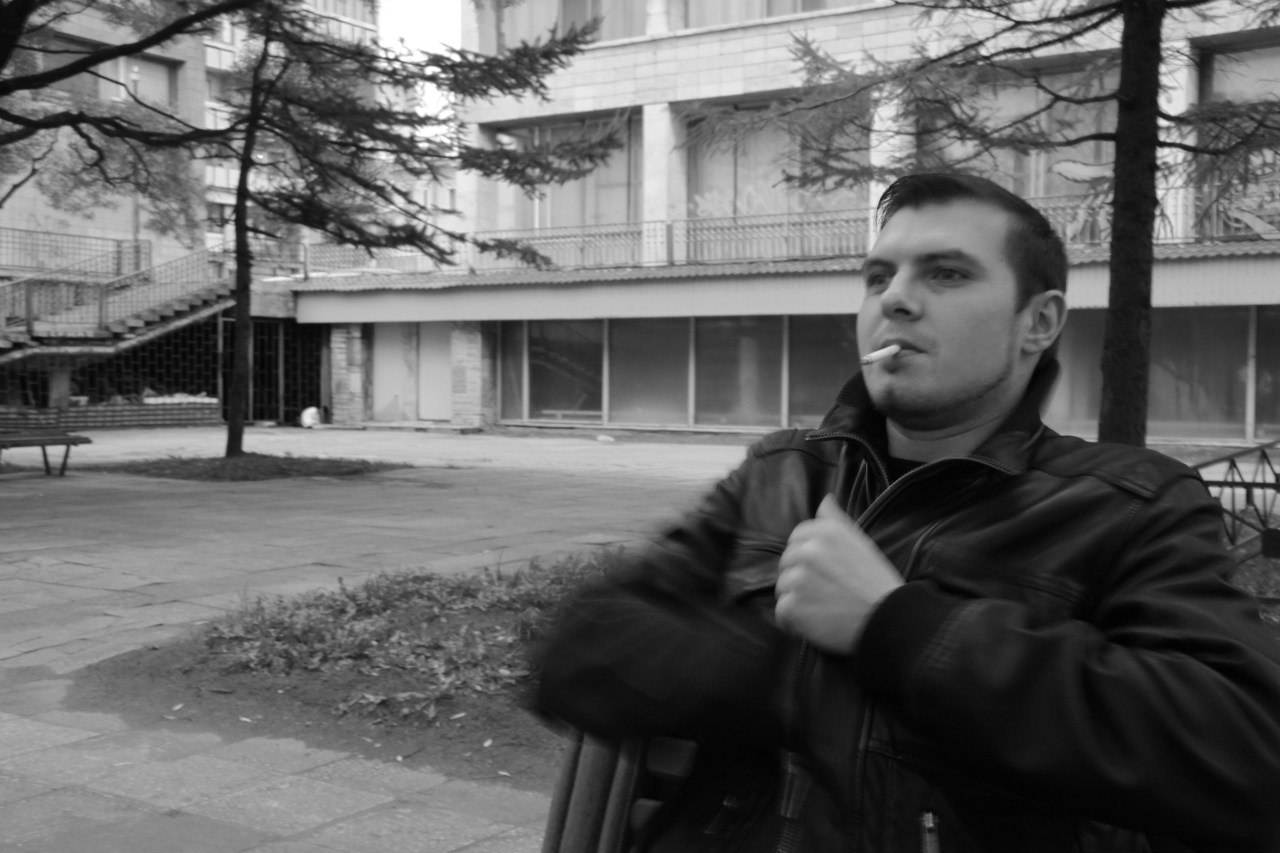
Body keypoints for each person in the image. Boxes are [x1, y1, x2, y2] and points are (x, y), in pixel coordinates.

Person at [532, 173, 1280, 853]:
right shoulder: (784, 472)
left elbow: (1248, 753)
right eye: (878, 277)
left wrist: (898, 627)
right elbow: (583, 651)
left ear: (1039, 322)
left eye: (946, 273)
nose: (894, 298)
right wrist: (800, 672)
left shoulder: (1128, 502)